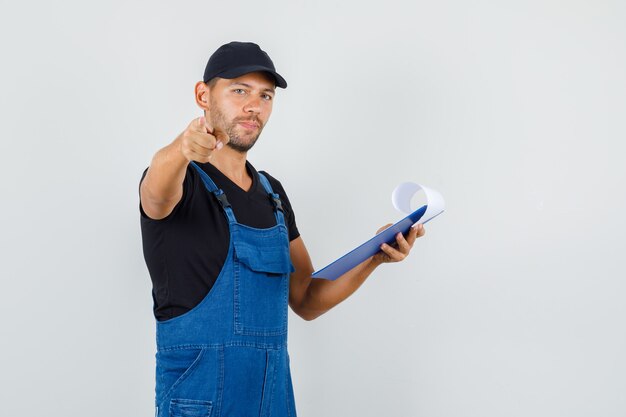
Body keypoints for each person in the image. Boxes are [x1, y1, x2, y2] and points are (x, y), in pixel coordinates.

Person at [139, 41, 425, 417]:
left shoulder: (272, 195)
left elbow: (306, 299)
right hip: (199, 403)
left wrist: (376, 254)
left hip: (272, 401)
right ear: (203, 95)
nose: (253, 106)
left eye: (265, 96)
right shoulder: (180, 181)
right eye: (239, 90)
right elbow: (155, 196)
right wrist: (182, 148)